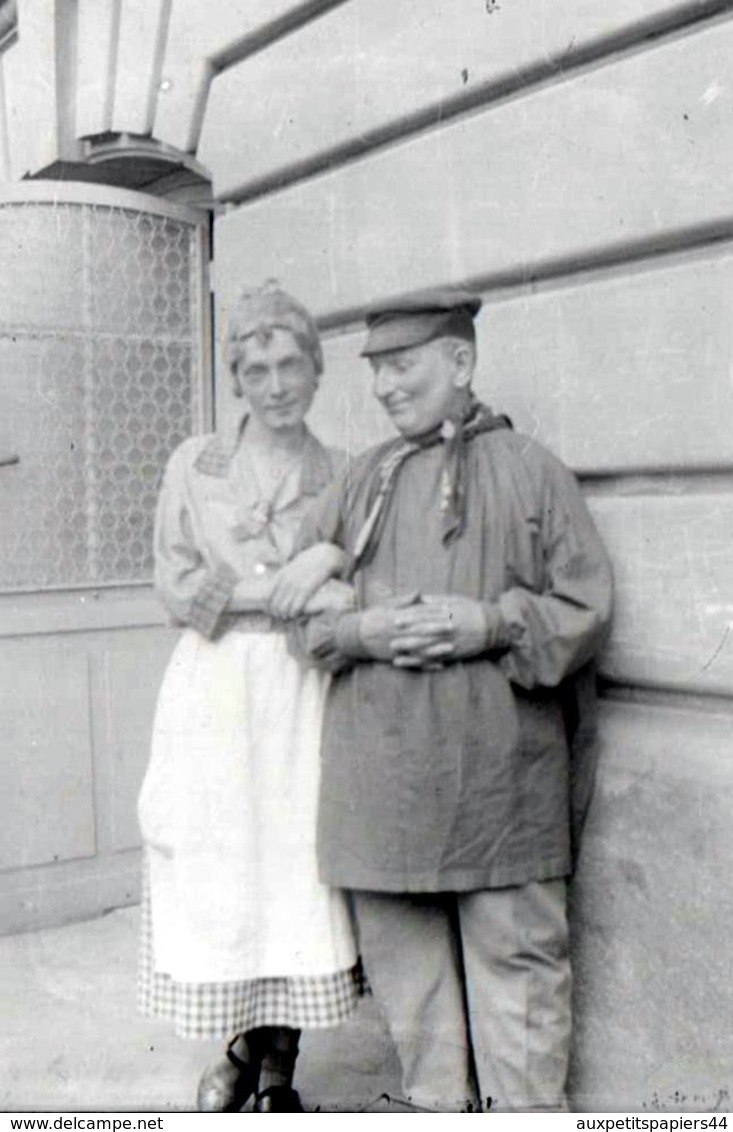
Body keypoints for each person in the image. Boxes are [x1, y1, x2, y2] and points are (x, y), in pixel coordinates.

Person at [287, 287, 614, 1112]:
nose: (384, 387)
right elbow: (296, 620)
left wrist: (489, 623)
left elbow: (585, 613)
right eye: (376, 371)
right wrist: (364, 634)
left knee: (522, 1010)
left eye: (402, 365)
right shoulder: (358, 484)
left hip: (499, 793)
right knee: (419, 1025)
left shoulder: (533, 473)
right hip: (380, 797)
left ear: (460, 362)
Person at [136, 283, 361, 1113]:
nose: (275, 384)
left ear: (314, 370)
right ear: (237, 377)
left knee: (294, 865)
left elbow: (347, 585)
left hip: (301, 688)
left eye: (290, 365)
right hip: (216, 684)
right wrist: (278, 590)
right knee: (222, 859)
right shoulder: (195, 466)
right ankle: (237, 1042)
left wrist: (297, 583)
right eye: (257, 368)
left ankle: (279, 1067)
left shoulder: (340, 472)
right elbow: (174, 585)